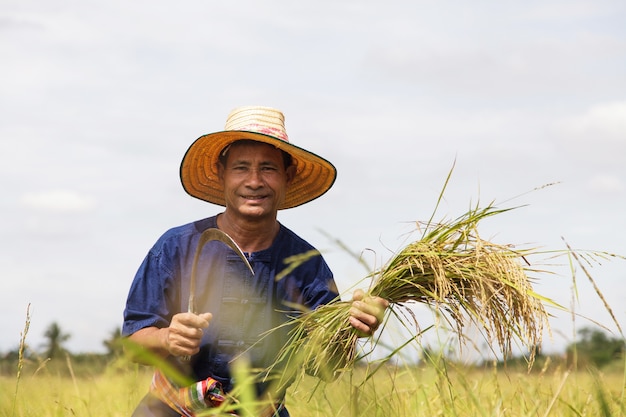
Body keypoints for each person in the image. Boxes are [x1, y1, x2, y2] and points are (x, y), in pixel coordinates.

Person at [122, 106, 389, 417]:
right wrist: (167, 338)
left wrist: (351, 331)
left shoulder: (306, 265)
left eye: (268, 169)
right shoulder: (176, 247)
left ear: (287, 177)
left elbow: (326, 368)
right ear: (222, 175)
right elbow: (133, 344)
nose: (254, 181)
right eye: (241, 168)